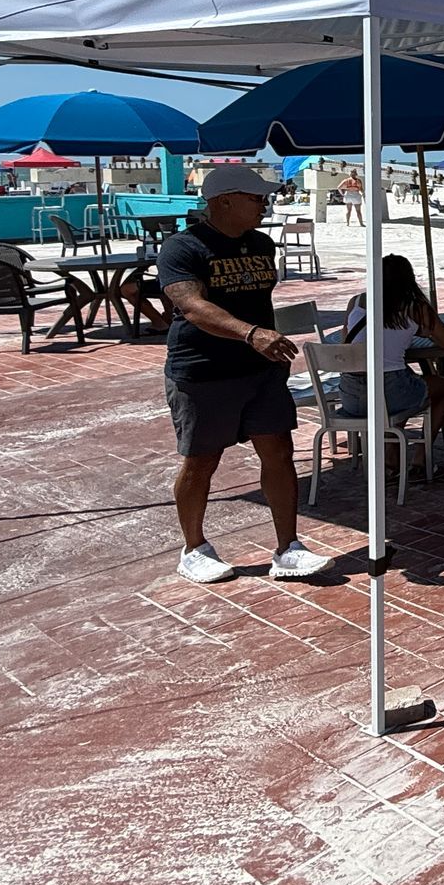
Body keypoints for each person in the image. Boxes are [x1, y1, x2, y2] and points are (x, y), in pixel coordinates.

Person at [158, 165, 333, 584]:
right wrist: (251, 334)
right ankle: (193, 548)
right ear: (223, 202)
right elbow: (193, 307)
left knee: (278, 452)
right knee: (201, 460)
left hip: (260, 369)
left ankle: (288, 547)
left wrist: (262, 343)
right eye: (255, 198)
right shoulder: (183, 249)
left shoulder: (261, 244)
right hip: (203, 370)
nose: (264, 204)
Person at [340, 254, 444, 464]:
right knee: (443, 388)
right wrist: (420, 332)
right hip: (389, 393)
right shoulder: (415, 308)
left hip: (351, 396)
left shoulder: (356, 302)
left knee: (406, 383)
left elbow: (347, 343)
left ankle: (391, 458)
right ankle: (421, 457)